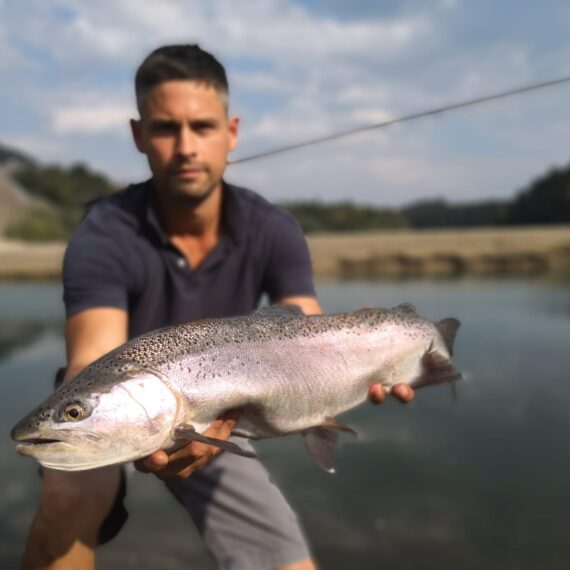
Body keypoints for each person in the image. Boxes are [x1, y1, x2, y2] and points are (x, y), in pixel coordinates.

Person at [22, 44, 414, 569]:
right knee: (65, 502)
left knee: (285, 561)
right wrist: (77, 411)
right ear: (139, 136)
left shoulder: (274, 228)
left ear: (231, 132)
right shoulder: (103, 233)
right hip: (110, 407)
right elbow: (91, 355)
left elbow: (302, 321)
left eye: (202, 127)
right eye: (165, 128)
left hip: (222, 419)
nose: (185, 147)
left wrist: (367, 345)